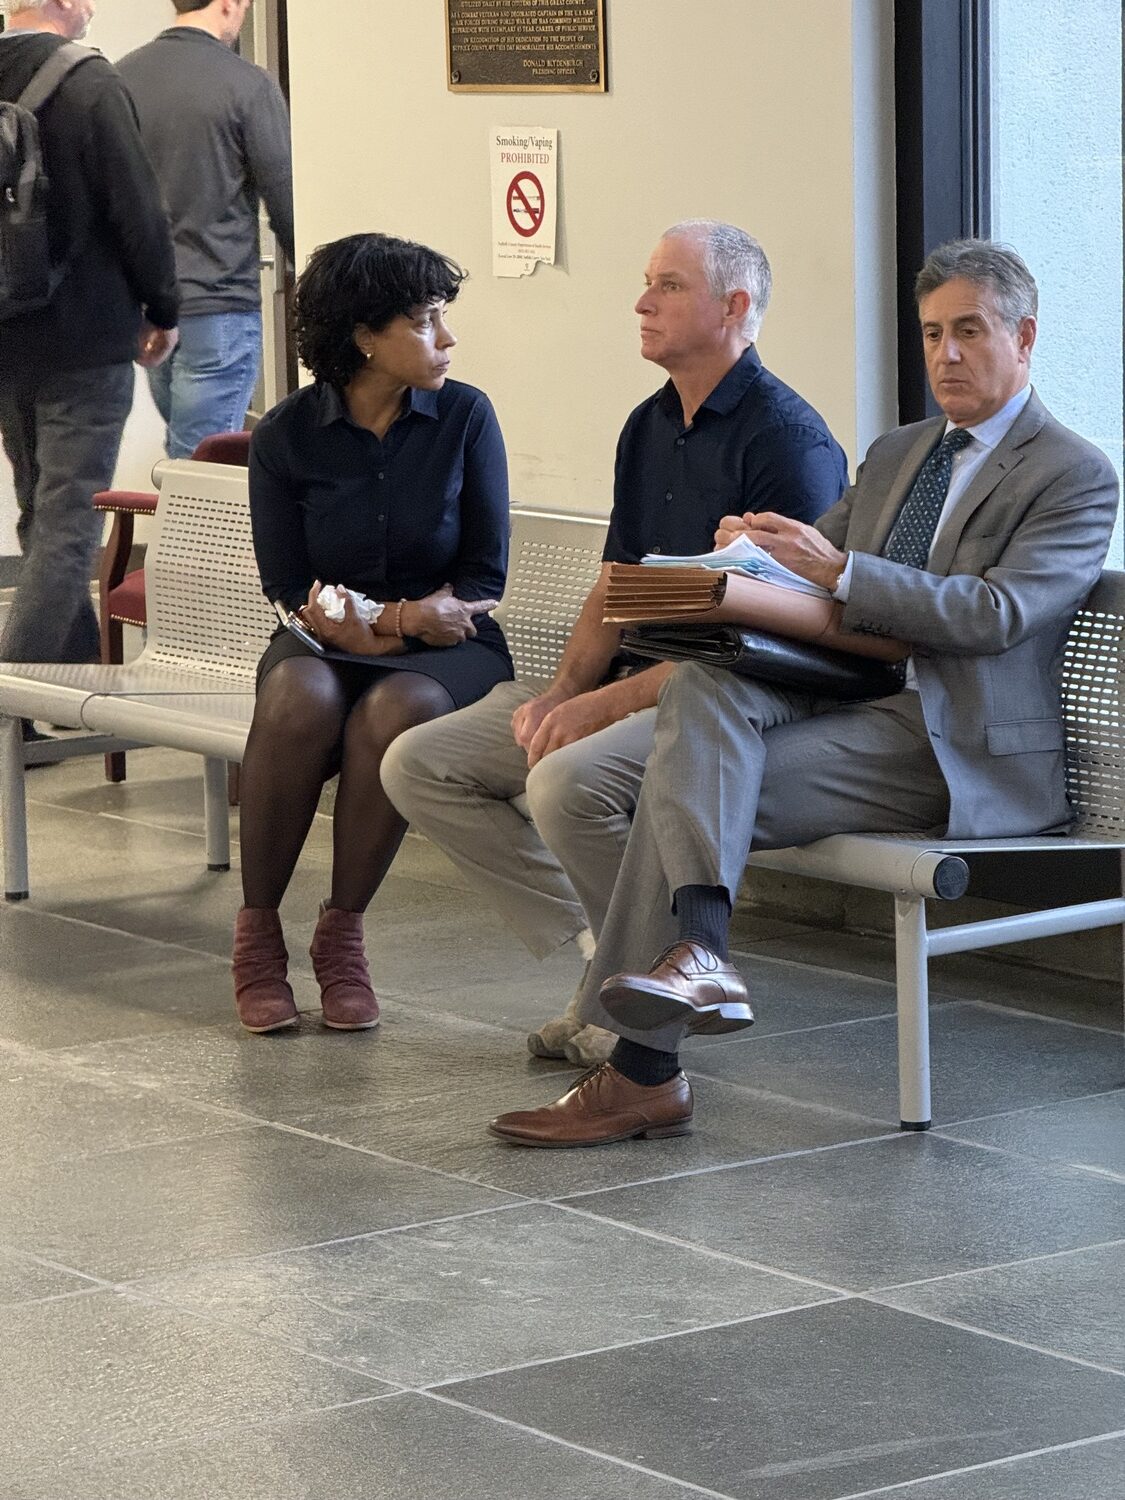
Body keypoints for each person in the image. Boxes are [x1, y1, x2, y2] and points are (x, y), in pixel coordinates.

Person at [488, 237, 1121, 1148]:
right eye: (932, 334)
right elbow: (810, 565)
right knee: (705, 692)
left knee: (684, 780)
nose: (945, 354)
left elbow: (993, 613)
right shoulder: (900, 451)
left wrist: (840, 567)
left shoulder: (1071, 471)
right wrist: (749, 552)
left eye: (969, 332)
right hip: (843, 697)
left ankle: (645, 1071)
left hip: (948, 739)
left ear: (1022, 337)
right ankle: (695, 962)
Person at [382, 219, 848, 1065]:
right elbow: (614, 584)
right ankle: (609, 958)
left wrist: (602, 704)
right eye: (647, 281)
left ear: (734, 305)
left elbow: (762, 640)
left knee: (564, 784)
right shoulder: (647, 424)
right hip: (632, 677)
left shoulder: (789, 442)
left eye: (667, 286)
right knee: (419, 763)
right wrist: (563, 691)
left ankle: (639, 1008)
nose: (641, 302)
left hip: (721, 695)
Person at [234, 232, 510, 1036]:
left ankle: (341, 936)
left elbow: (483, 577)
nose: (447, 339)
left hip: (452, 647)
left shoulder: (465, 415)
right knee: (296, 692)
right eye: (426, 321)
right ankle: (255, 938)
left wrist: (402, 634)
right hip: (330, 636)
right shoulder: (285, 435)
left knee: (396, 710)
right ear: (364, 336)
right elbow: (288, 586)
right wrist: (386, 622)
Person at [0, 0, 178, 680]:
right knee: (71, 521)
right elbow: (138, 209)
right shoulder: (90, 82)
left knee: (40, 507)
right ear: (67, 3)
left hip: (6, 336)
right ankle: (15, 711)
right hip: (87, 336)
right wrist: (162, 307)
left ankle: (69, 679)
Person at [118, 0, 294, 458]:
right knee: (199, 467)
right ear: (230, 3)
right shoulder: (247, 84)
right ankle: (184, 533)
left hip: (149, 309)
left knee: (186, 450)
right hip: (220, 305)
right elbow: (284, 195)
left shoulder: (121, 79)